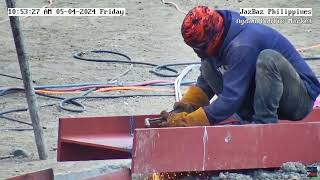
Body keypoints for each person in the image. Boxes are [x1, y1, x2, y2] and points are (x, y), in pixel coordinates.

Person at [160, 6, 320, 126]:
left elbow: (231, 99)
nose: (198, 52)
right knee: (208, 65)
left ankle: (264, 124)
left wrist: (190, 122)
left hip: (298, 101)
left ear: (214, 37)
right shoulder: (217, 30)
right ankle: (250, 119)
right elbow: (206, 82)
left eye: (200, 47)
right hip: (270, 94)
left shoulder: (242, 45)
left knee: (268, 59)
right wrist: (184, 109)